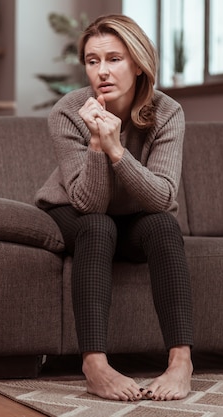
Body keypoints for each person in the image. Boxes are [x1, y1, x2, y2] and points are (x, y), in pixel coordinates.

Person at [35, 14, 194, 402]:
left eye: (114, 59)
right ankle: (95, 365)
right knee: (98, 227)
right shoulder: (68, 112)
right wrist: (95, 143)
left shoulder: (167, 112)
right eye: (93, 61)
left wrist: (116, 149)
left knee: (164, 226)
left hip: (137, 215)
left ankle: (181, 363)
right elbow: (89, 203)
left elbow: (162, 199)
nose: (102, 71)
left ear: (138, 63)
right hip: (73, 212)